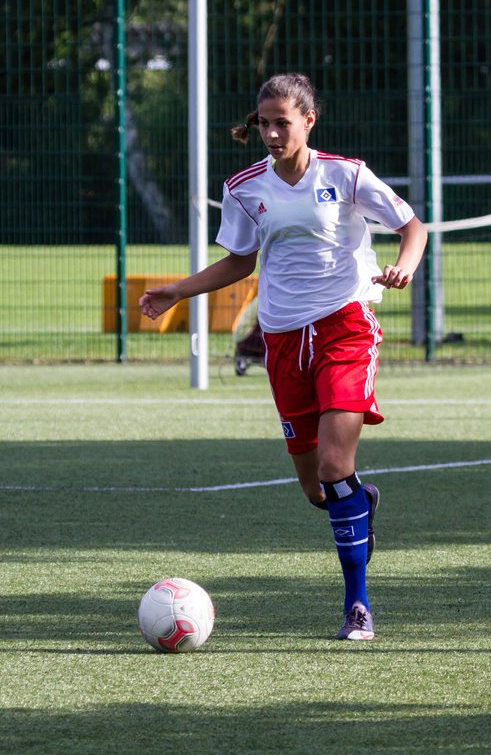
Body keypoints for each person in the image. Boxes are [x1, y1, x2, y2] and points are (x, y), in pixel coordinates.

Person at [138, 73, 427, 641]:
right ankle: (359, 503)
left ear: (308, 121)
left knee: (333, 466)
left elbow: (412, 225)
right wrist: (177, 290)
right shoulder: (245, 187)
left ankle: (357, 607)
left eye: (282, 123)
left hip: (345, 328)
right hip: (281, 341)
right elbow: (239, 263)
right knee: (317, 489)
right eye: (263, 122)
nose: (271, 132)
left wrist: (406, 265)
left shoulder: (344, 175)